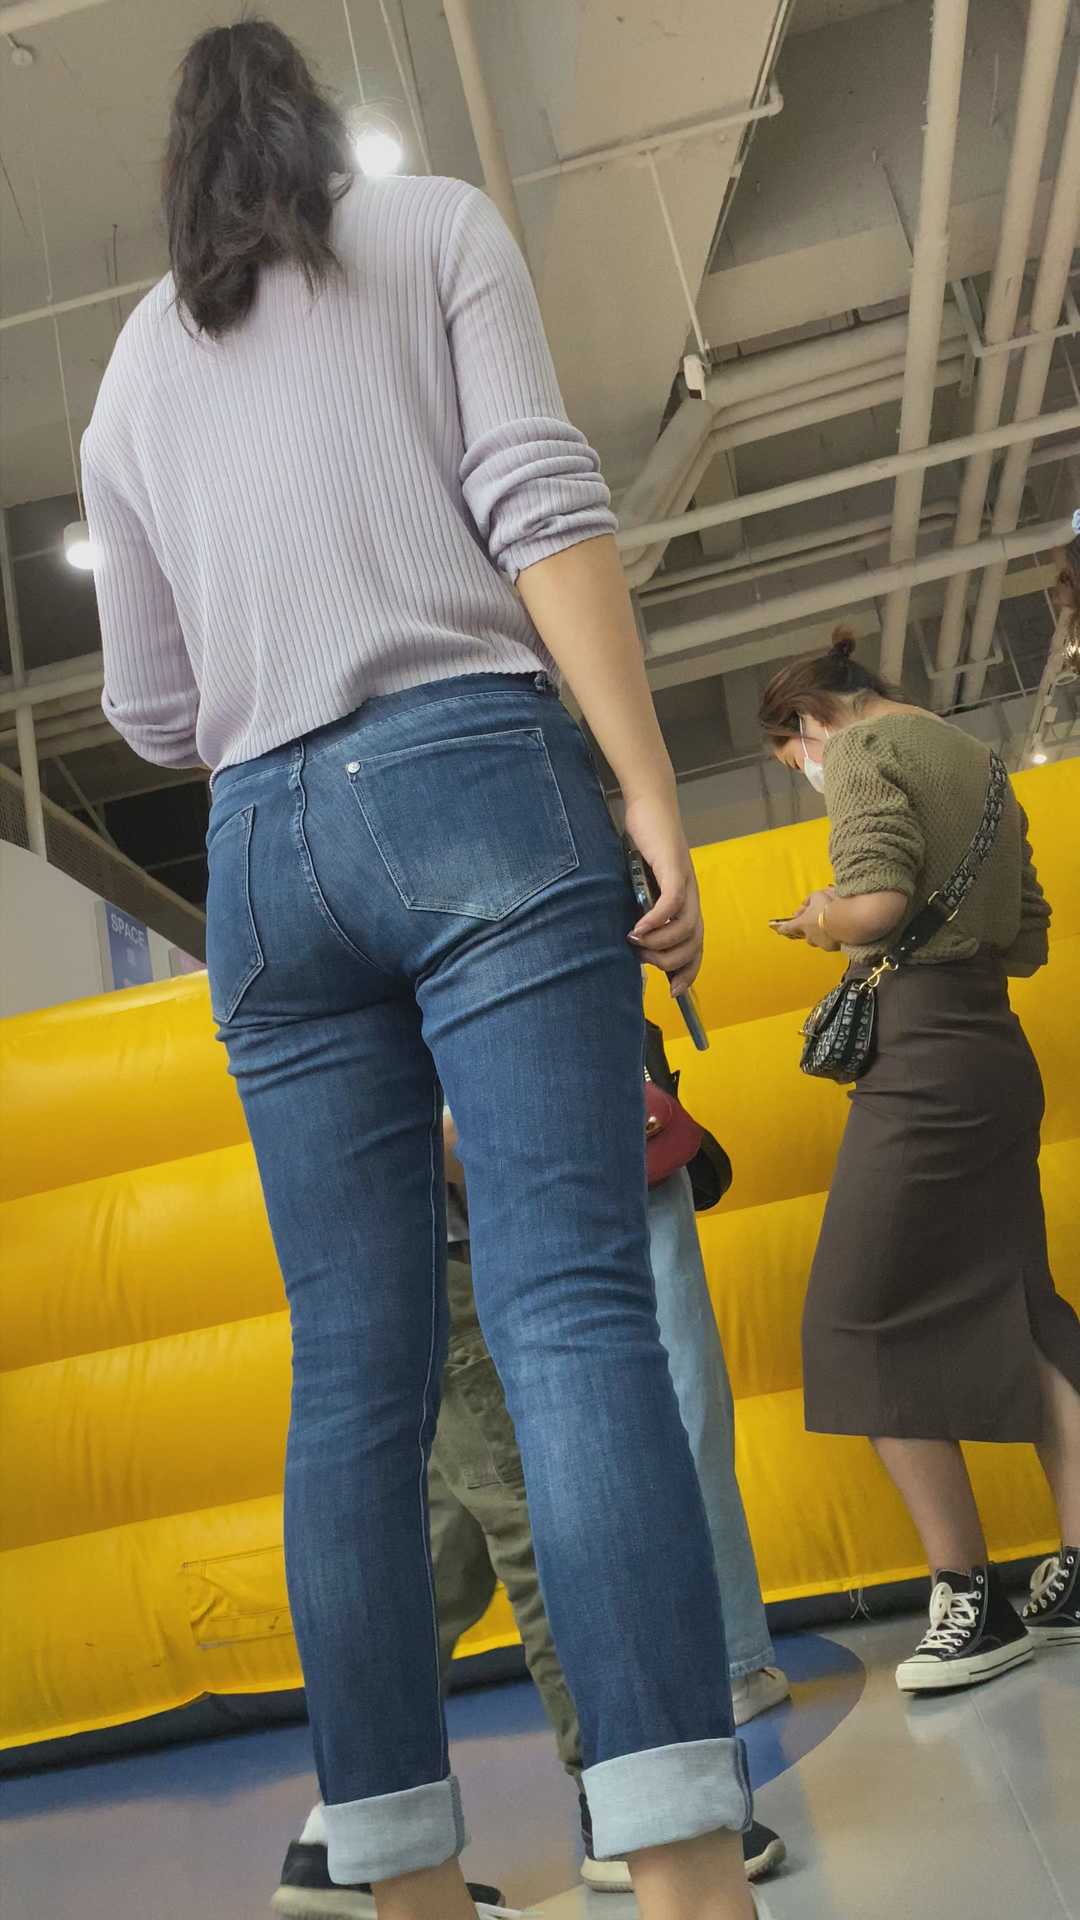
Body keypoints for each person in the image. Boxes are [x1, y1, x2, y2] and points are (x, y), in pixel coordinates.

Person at [83, 22, 768, 1920]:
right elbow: (543, 514)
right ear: (318, 128)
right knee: (569, 1315)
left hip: (258, 853)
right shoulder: (438, 229)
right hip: (471, 772)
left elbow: (149, 706)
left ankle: (396, 1879)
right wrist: (649, 791)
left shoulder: (130, 374)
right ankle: (682, 1866)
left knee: (352, 1383)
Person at [275, 1073, 788, 1916]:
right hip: (465, 1254)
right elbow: (427, 1116)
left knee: (439, 1554)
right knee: (540, 1525)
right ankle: (616, 1801)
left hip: (412, 1261)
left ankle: (342, 1838)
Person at [759, 628, 1080, 1694]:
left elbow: (879, 904)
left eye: (794, 757)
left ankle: (970, 1603)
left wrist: (823, 920)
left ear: (809, 722)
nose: (807, 771)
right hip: (993, 1050)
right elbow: (1029, 934)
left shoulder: (860, 751)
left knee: (850, 1324)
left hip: (923, 1064)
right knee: (1024, 1307)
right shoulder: (977, 760)